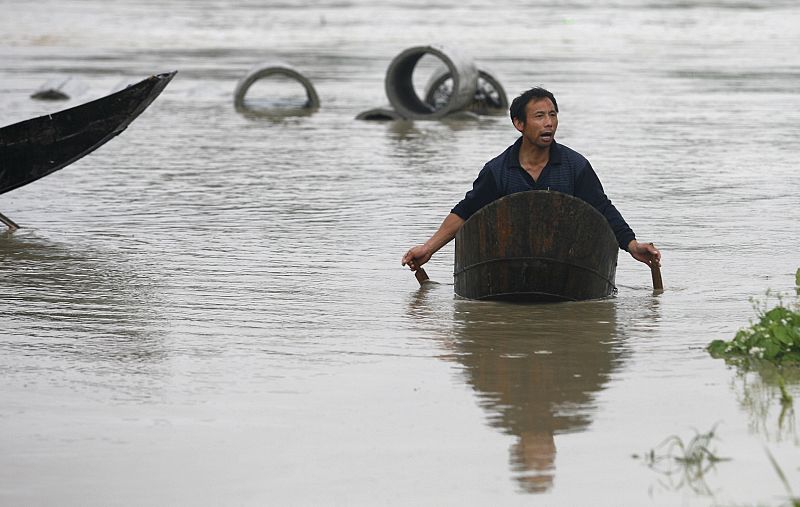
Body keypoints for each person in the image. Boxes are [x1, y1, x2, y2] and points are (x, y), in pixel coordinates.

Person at [401, 86, 660, 273]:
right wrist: (428, 249)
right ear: (519, 124)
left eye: (553, 115)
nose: (549, 123)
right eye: (539, 116)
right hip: (511, 265)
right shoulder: (498, 170)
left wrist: (632, 244)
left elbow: (602, 210)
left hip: (565, 264)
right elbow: (465, 214)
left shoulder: (574, 166)